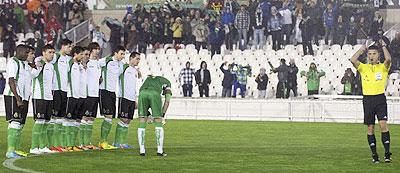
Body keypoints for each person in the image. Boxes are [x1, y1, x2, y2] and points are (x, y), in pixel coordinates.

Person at [350, 40, 392, 163]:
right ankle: (374, 155)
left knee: (383, 125)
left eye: (374, 53)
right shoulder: (363, 67)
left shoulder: (383, 67)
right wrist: (361, 49)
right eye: (369, 54)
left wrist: (383, 46)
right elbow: (353, 59)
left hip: (379, 98)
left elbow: (388, 59)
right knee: (370, 128)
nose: (371, 56)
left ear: (378, 54)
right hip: (367, 99)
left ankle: (387, 154)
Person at [29, 44, 57, 154]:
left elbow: (53, 83)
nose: (52, 55)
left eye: (53, 52)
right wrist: (39, 65)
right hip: (39, 96)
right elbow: (33, 75)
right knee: (39, 121)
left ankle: (42, 146)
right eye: (50, 52)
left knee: (46, 122)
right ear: (43, 53)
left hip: (48, 97)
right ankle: (33, 147)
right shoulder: (39, 62)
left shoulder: (51, 66)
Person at [4, 45, 29, 158]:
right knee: (14, 122)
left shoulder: (21, 63)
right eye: (26, 52)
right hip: (12, 96)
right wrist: (18, 99)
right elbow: (11, 81)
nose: (27, 54)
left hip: (19, 97)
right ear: (20, 51)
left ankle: (16, 149)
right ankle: (10, 151)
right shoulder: (12, 62)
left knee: (18, 123)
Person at [98, 45, 125, 150]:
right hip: (104, 91)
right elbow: (94, 65)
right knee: (108, 117)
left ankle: (104, 142)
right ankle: (102, 142)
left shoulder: (121, 65)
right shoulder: (106, 60)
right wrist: (98, 77)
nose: (123, 56)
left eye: (124, 54)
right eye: (121, 54)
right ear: (115, 53)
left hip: (113, 93)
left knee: (110, 118)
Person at [137, 75, 172, 157]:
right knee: (158, 122)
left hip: (142, 93)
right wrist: (162, 115)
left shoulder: (149, 78)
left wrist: (148, 114)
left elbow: (140, 91)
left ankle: (142, 151)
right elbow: (167, 101)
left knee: (142, 121)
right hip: (155, 94)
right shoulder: (167, 83)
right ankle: (160, 151)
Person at [114, 52, 141, 148]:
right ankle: (117, 142)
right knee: (123, 119)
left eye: (139, 59)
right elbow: (114, 74)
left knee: (128, 120)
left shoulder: (135, 71)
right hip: (124, 98)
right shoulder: (123, 67)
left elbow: (133, 86)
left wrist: (135, 100)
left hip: (132, 99)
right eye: (137, 59)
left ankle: (123, 143)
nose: (138, 61)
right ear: (131, 58)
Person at [51, 39, 73, 152]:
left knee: (59, 118)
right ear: (63, 46)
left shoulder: (67, 59)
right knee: (53, 118)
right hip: (56, 90)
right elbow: (41, 59)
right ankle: (51, 144)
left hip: (64, 91)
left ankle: (57, 144)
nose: (70, 49)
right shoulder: (56, 56)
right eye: (69, 46)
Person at [80, 42, 101, 150]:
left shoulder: (98, 63)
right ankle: (81, 143)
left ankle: (87, 142)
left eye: (99, 49)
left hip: (95, 94)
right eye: (96, 49)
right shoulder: (86, 63)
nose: (98, 51)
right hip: (87, 94)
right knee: (84, 118)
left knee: (91, 119)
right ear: (91, 50)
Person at [64, 46, 84, 152]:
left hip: (77, 96)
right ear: (75, 54)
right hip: (70, 95)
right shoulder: (69, 64)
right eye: (81, 54)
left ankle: (71, 144)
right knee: (68, 119)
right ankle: (66, 144)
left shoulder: (78, 65)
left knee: (73, 120)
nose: (82, 56)